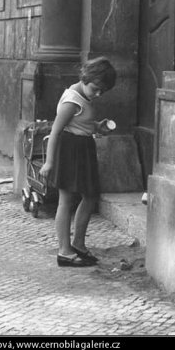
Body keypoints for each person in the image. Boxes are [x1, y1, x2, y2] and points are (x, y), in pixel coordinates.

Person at [39, 57, 117, 267]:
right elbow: (55, 132)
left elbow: (80, 123)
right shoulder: (71, 101)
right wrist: (49, 162)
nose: (98, 94)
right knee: (66, 199)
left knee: (90, 196)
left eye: (103, 91)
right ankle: (64, 251)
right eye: (96, 89)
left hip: (83, 148)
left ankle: (79, 244)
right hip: (70, 149)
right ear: (86, 78)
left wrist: (95, 127)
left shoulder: (84, 95)